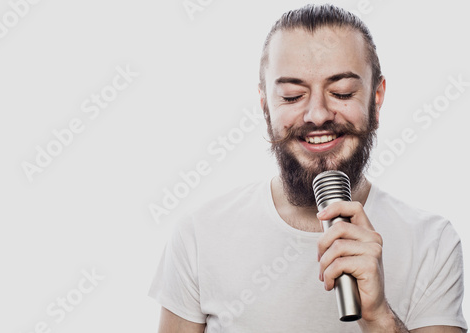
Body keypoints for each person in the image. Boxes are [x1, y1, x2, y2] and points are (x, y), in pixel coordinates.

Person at [149, 4, 467, 332]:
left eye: (341, 92)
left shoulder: (433, 244)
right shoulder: (199, 236)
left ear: (376, 97)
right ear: (265, 105)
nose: (317, 114)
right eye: (292, 96)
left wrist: (379, 317)